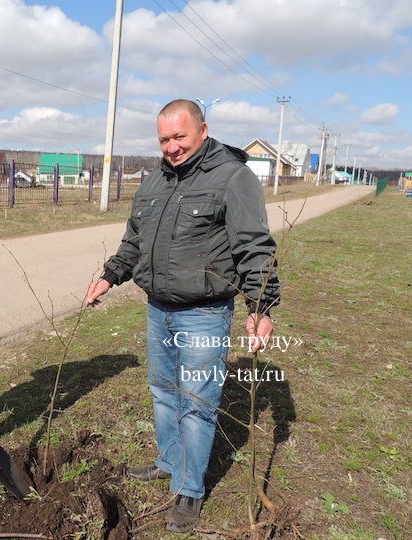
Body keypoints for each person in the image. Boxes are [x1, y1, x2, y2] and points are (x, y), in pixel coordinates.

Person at [85, 99, 280, 532]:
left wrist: (261, 307)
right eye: (164, 139)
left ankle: (190, 490)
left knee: (196, 404)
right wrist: (109, 275)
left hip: (204, 314)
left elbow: (254, 246)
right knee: (163, 392)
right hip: (158, 310)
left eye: (180, 137)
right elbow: (135, 239)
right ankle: (169, 462)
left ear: (203, 130)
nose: (172, 147)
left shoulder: (232, 178)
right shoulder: (155, 181)